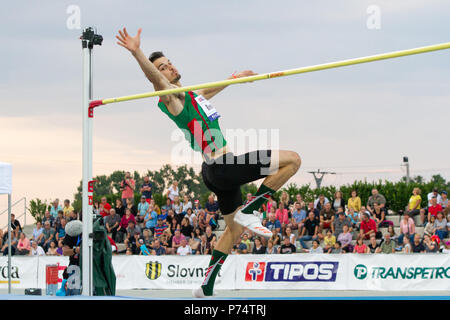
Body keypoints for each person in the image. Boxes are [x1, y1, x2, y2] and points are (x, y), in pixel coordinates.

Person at [117, 27, 301, 297]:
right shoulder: (173, 99)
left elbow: (210, 89)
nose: (169, 68)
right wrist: (137, 53)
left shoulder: (191, 94)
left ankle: (206, 285)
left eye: (169, 63)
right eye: (164, 68)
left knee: (234, 231)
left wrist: (237, 78)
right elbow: (155, 79)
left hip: (214, 172)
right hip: (222, 166)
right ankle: (251, 209)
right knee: (293, 161)